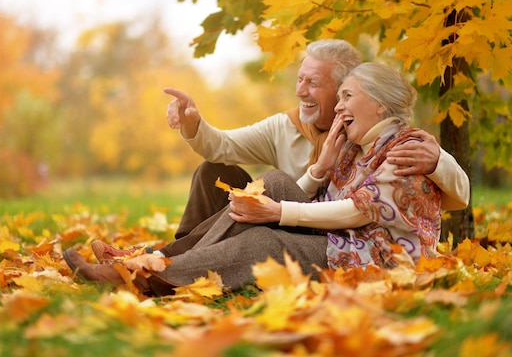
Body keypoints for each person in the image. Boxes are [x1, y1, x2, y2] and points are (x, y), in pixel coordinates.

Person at [63, 62, 455, 296]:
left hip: (375, 259)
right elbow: (231, 151)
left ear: (380, 104)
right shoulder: (353, 144)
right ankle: (154, 260)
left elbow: (357, 212)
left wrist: (278, 212)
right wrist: (318, 171)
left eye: (347, 96)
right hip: (344, 241)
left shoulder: (407, 148)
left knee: (265, 237)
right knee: (270, 180)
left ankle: (144, 277)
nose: (339, 106)